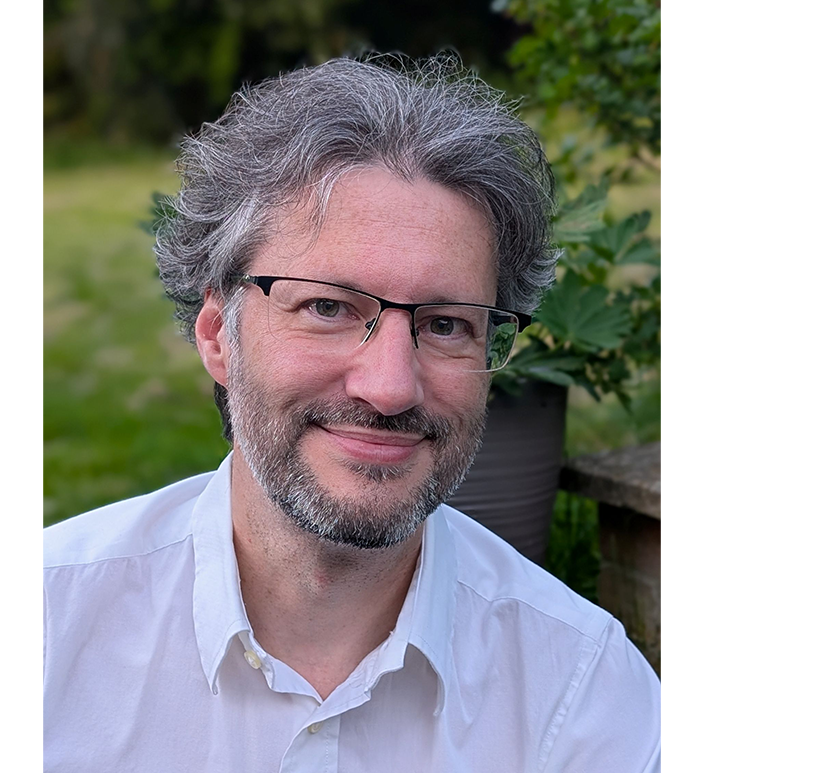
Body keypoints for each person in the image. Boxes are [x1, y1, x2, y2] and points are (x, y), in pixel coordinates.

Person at [43, 56, 661, 771]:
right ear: (218, 335)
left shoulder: (582, 697)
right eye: (329, 308)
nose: (391, 387)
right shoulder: (47, 634)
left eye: (446, 324)